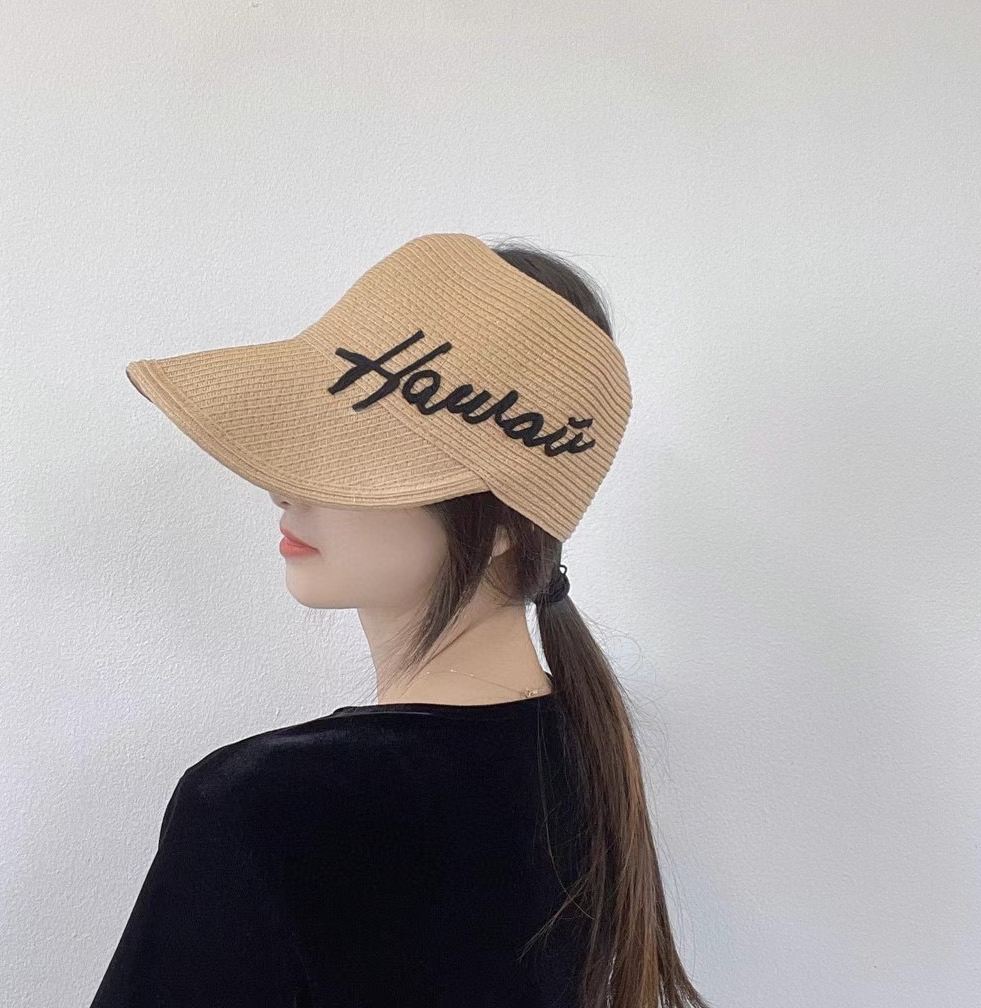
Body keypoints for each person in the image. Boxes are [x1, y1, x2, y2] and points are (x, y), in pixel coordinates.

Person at [89, 233, 713, 1008]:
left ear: (504, 525)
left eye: (354, 456)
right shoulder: (587, 757)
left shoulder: (268, 805)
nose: (284, 490)